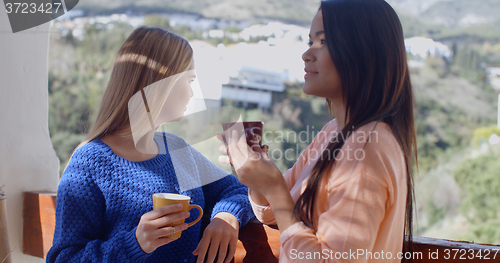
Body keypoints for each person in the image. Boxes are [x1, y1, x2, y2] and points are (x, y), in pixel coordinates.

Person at [219, 0, 416, 262]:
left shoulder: (367, 148)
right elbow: (274, 212)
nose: (307, 54)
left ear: (364, 52)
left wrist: (275, 189)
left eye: (324, 42)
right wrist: (257, 176)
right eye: (310, 41)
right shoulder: (334, 131)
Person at [47, 27, 254, 263]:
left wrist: (226, 216)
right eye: (188, 80)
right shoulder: (90, 164)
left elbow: (237, 189)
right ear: (158, 83)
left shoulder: (177, 150)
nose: (192, 91)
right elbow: (64, 258)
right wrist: (135, 243)